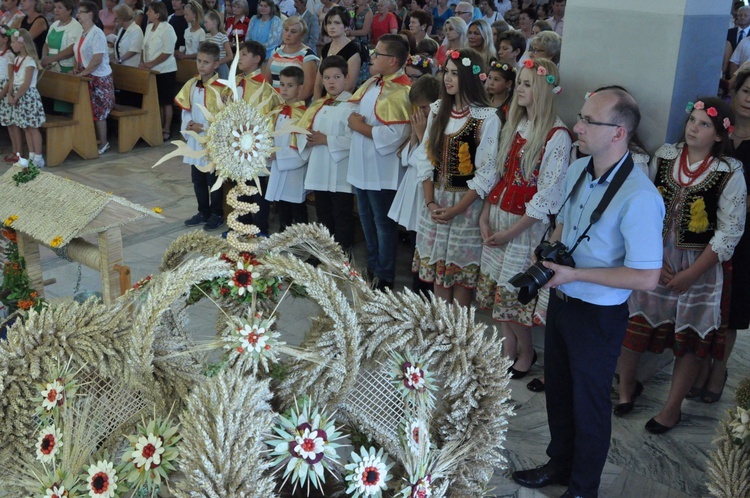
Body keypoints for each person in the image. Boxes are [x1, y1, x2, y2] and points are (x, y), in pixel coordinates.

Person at [511, 88, 665, 498]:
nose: (576, 127)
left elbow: (646, 277)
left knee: (589, 404)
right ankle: (559, 464)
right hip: (563, 299)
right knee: (558, 390)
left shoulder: (640, 197)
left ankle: (583, 488)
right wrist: (551, 255)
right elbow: (565, 224)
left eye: (588, 121)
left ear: (618, 133)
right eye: (580, 117)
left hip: (597, 315)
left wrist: (575, 276)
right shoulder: (580, 169)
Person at [616, 97, 746, 433]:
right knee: (634, 324)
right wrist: (653, 262)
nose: (693, 128)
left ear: (719, 135)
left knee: (689, 339)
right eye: (692, 120)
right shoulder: (665, 156)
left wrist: (691, 273)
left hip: (699, 266)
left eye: (704, 124)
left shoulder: (728, 171)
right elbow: (643, 208)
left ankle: (671, 408)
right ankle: (626, 386)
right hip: (654, 257)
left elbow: (729, 230)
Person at [476, 58, 571, 377]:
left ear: (544, 90)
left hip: (524, 229)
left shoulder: (557, 136)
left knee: (513, 298)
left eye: (528, 84)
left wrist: (510, 232)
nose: (519, 88)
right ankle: (507, 347)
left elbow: (547, 196)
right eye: (519, 82)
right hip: (500, 220)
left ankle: (525, 350)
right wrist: (485, 217)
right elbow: (498, 175)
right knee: (495, 295)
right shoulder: (516, 124)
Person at [412, 48, 499, 306]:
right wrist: (430, 202)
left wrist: (458, 208)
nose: (447, 79)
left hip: (466, 206)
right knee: (440, 275)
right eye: (445, 72)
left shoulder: (486, 117)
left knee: (461, 279)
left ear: (470, 77)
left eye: (454, 73)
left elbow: (486, 173)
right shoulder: (439, 109)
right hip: (436, 199)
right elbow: (426, 157)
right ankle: (441, 329)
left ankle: (459, 334)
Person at [689, 69, 750, 402]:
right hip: (701, 230)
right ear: (735, 92)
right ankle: (698, 367)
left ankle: (718, 370)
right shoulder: (715, 132)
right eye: (746, 90)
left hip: (744, 238)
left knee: (733, 309)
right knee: (704, 303)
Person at [347, 34, 411, 290]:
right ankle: (372, 265)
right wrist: (357, 123)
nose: (372, 58)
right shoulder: (373, 83)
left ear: (393, 60)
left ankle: (385, 274)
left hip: (382, 169)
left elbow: (394, 136)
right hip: (361, 164)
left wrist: (359, 127)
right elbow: (353, 114)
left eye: (378, 54)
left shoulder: (403, 91)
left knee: (383, 223)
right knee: (366, 218)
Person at [297, 55, 357, 252]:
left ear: (347, 78)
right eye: (327, 77)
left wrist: (326, 140)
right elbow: (303, 129)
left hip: (341, 170)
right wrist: (307, 138)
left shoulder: (353, 105)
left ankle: (341, 254)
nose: (331, 82)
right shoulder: (318, 105)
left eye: (337, 77)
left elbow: (355, 140)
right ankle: (322, 251)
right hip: (320, 167)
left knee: (342, 213)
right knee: (323, 213)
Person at [389, 74, 439, 294]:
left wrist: (420, 134)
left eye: (425, 108)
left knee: (425, 245)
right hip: (412, 187)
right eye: (417, 108)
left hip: (426, 191)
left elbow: (424, 162)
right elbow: (406, 159)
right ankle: (415, 286)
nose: (421, 114)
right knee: (413, 241)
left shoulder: (440, 125)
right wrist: (415, 136)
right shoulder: (422, 124)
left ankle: (424, 290)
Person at [177, 41, 227, 232]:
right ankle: (202, 211)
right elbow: (186, 109)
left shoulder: (222, 88)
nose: (201, 65)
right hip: (195, 139)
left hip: (212, 142)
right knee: (197, 179)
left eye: (206, 62)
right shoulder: (191, 84)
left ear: (216, 64)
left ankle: (216, 214)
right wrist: (188, 124)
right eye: (199, 61)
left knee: (212, 180)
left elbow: (223, 116)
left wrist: (204, 127)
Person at [232, 40, 279, 237]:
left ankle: (260, 228)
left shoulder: (264, 88)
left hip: (255, 146)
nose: (239, 58)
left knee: (257, 188)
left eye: (244, 54)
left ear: (257, 59)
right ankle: (241, 225)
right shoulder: (235, 82)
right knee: (240, 187)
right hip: (236, 144)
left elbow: (268, 117)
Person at [265, 65, 309, 231]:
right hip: (279, 165)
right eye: (282, 84)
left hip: (294, 168)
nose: (284, 89)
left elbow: (302, 147)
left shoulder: (303, 114)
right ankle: (284, 234)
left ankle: (301, 239)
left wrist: (280, 155)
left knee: (296, 203)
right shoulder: (277, 110)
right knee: (282, 202)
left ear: (300, 88)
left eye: (290, 86)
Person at [72, 1, 115, 155]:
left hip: (99, 77)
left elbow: (97, 59)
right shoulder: (83, 32)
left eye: (81, 12)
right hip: (86, 75)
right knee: (87, 109)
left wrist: (83, 73)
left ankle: (103, 142)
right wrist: (77, 67)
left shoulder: (97, 34)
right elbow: (79, 52)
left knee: (99, 111)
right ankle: (90, 139)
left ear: (90, 14)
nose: (78, 15)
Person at [141, 1, 178, 140]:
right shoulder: (149, 26)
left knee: (165, 101)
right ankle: (157, 127)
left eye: (149, 11)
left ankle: (166, 128)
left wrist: (151, 63)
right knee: (156, 101)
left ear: (157, 14)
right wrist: (143, 62)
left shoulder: (167, 28)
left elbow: (167, 52)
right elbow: (144, 46)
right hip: (151, 70)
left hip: (165, 70)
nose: (147, 14)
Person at [8, 29, 45, 166]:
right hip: (19, 96)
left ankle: (38, 158)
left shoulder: (30, 61)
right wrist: (9, 93)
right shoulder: (17, 59)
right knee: (25, 128)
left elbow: (26, 83)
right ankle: (30, 156)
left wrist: (16, 96)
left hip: (28, 96)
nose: (11, 44)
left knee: (33, 128)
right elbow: (13, 78)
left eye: (12, 42)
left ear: (22, 44)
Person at [264, 16, 319, 101]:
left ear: (301, 35)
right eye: (286, 29)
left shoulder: (307, 55)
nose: (288, 34)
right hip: (273, 103)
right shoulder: (276, 51)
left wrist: (291, 106)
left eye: (293, 32)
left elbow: (309, 89)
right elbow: (267, 81)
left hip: (294, 106)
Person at [40, 0, 81, 113]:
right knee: (48, 97)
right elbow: (46, 44)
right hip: (49, 65)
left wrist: (52, 58)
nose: (55, 10)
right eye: (55, 7)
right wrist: (44, 58)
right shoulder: (54, 24)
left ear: (69, 10)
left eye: (60, 7)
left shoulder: (75, 26)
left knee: (62, 104)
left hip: (65, 66)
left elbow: (73, 49)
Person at [316, 6, 362, 97]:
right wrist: (316, 105)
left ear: (345, 26)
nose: (332, 27)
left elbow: (349, 86)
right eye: (329, 23)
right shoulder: (326, 48)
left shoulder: (352, 50)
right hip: (324, 99)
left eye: (337, 23)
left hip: (343, 100)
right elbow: (318, 82)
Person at [0, 26, 17, 163]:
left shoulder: (9, 55)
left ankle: (17, 151)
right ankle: (13, 151)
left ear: (5, 39)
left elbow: (11, 78)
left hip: (5, 90)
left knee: (12, 123)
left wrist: (3, 93)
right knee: (6, 122)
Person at [204, 9, 232, 79]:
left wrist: (218, 62)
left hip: (221, 68)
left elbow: (230, 56)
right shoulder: (206, 36)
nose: (204, 24)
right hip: (210, 67)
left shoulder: (222, 37)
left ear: (213, 22)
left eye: (206, 22)